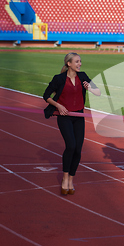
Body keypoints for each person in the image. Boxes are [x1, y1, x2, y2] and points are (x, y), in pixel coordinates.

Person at [43, 52, 101, 195]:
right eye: (76, 61)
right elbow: (46, 96)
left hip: (79, 116)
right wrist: (59, 106)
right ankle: (64, 178)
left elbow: (98, 92)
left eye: (80, 61)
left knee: (78, 150)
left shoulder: (83, 77)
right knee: (71, 145)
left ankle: (71, 179)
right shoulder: (59, 79)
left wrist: (90, 89)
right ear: (69, 63)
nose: (79, 64)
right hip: (65, 117)